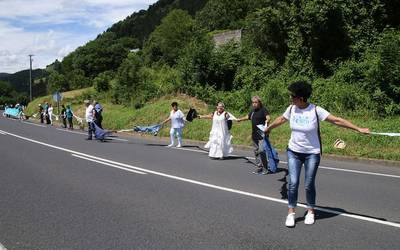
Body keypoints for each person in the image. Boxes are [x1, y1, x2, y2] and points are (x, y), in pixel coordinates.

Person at [264, 81, 370, 227]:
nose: (290, 98)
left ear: (301, 98)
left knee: (308, 184)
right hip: (293, 151)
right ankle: (291, 212)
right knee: (293, 183)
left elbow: (336, 120)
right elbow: (281, 119)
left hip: (311, 153)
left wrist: (358, 129)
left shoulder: (315, 110)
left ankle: (311, 211)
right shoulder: (291, 109)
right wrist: (269, 128)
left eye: (292, 96)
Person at [237, 96, 271, 174]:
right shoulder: (253, 111)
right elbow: (247, 117)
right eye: (253, 102)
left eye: (256, 102)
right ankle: (259, 167)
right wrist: (240, 119)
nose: (254, 104)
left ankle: (266, 168)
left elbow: (268, 117)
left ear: (259, 102)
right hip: (254, 134)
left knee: (261, 151)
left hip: (262, 134)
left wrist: (267, 120)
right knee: (256, 151)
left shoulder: (263, 110)